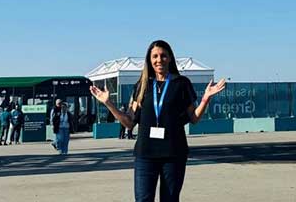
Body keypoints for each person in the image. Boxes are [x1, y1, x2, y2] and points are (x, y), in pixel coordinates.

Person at [90, 40, 226, 202]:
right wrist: (108, 103)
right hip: (145, 154)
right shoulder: (142, 85)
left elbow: (194, 118)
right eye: (154, 56)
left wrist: (205, 99)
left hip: (173, 154)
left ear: (169, 58)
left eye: (163, 56)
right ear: (149, 60)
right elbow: (129, 122)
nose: (159, 60)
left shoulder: (181, 84)